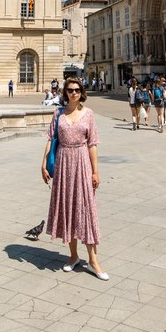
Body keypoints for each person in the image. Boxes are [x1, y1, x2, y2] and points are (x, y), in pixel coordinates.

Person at [41, 77, 106, 280]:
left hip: (82, 163)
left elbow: (92, 144)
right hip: (62, 164)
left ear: (82, 92)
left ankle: (93, 260)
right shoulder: (58, 113)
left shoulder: (89, 114)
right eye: (70, 90)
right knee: (67, 208)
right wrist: (44, 164)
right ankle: (73, 256)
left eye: (77, 90)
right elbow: (51, 140)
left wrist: (95, 171)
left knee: (85, 209)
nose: (74, 93)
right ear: (65, 93)